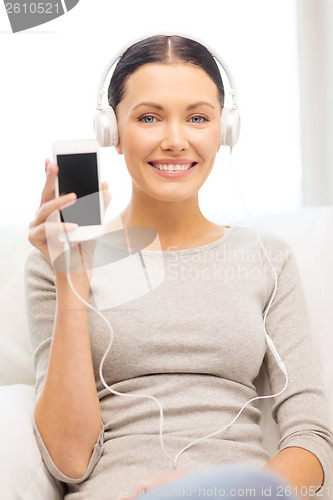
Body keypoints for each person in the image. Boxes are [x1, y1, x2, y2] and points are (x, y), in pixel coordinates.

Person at [25, 34, 333, 500]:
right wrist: (73, 279)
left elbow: (313, 440)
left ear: (224, 131)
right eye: (148, 118)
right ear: (113, 133)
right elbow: (69, 460)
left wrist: (221, 492)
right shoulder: (57, 261)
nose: (174, 140)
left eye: (197, 118)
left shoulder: (267, 257)